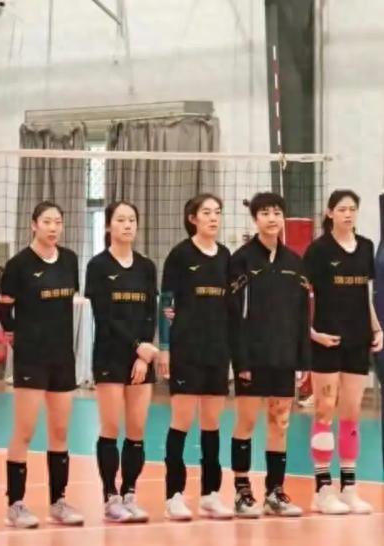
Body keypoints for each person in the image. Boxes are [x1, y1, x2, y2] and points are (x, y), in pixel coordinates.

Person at [0, 201, 84, 527]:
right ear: (33, 224)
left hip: (62, 357)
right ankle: (15, 504)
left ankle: (58, 502)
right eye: (47, 221)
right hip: (31, 358)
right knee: (24, 431)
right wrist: (15, 336)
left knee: (60, 431)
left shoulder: (70, 260)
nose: (53, 227)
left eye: (58, 222)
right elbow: (4, 309)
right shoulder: (18, 265)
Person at [228, 192, 309, 519]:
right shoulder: (242, 260)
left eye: (277, 212)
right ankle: (242, 491)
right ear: (255, 219)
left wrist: (303, 360)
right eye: (265, 213)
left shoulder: (294, 262)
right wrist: (241, 361)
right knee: (246, 421)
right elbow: (234, 315)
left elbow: (301, 314)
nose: (272, 218)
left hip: (284, 356)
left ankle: (275, 492)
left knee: (280, 423)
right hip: (253, 357)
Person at [158, 194, 235, 521]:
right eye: (207, 212)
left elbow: (231, 307)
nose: (213, 218)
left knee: (212, 425)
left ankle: (210, 494)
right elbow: (167, 303)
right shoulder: (180, 255)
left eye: (217, 212)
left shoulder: (226, 256)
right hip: (186, 349)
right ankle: (173, 495)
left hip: (217, 350)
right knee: (181, 421)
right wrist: (165, 346)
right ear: (193, 218)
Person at [304, 189, 380, 515]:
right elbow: (303, 297)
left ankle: (349, 488)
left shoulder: (365, 247)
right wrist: (311, 333)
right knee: (325, 409)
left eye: (353, 209)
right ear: (330, 213)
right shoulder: (318, 250)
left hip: (357, 339)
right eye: (342, 209)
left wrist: (377, 328)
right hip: (326, 340)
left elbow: (365, 294)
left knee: (351, 413)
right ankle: (323, 490)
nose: (348, 214)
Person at [85, 200, 158, 524]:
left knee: (137, 429)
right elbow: (105, 316)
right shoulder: (98, 266)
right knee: (111, 427)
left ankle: (129, 493)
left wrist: (145, 351)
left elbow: (149, 313)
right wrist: (137, 346)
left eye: (132, 220)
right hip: (110, 354)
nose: (128, 225)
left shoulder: (146, 267)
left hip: (142, 356)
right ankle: (109, 497)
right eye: (121, 220)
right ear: (108, 226)